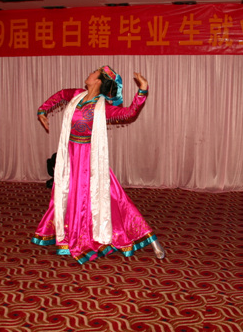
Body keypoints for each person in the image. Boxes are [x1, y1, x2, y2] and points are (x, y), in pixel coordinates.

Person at [32, 65, 166, 264]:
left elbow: (129, 113)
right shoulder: (77, 95)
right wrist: (42, 109)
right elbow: (60, 95)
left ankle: (149, 237)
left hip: (91, 160)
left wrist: (142, 90)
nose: (90, 73)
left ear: (98, 81)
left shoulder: (104, 107)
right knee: (68, 194)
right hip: (71, 156)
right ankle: (68, 232)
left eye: (94, 72)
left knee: (115, 196)